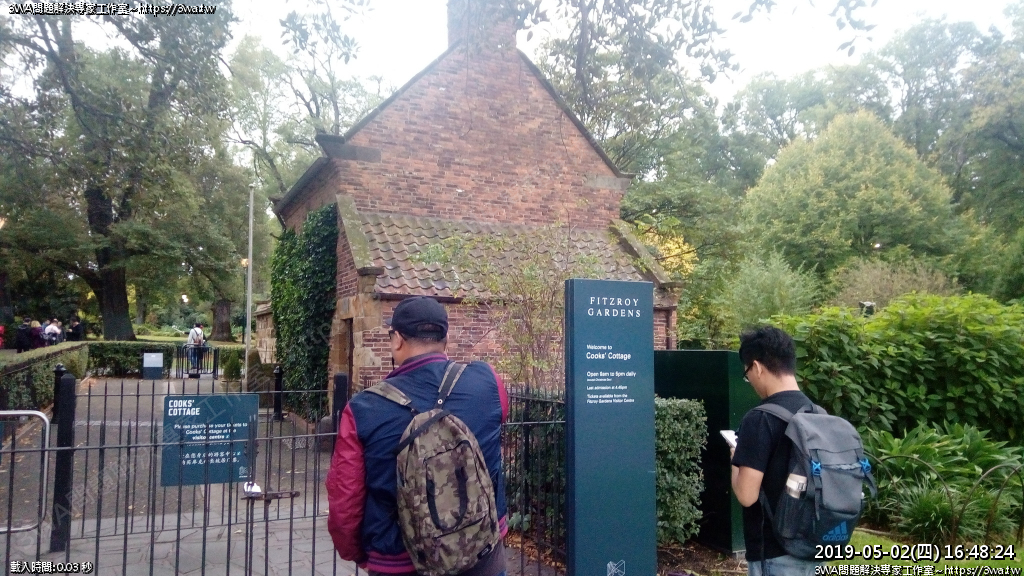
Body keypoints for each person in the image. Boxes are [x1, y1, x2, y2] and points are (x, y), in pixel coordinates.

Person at [326, 296, 509, 576]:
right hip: (482, 552)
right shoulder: (488, 381)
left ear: (397, 340)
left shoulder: (363, 409)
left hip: (399, 561)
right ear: (446, 339)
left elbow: (346, 500)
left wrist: (361, 554)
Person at [731, 326, 822, 576]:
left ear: (757, 367)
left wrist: (735, 459)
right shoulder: (817, 413)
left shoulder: (759, 418)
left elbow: (746, 495)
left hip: (774, 554)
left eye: (747, 373)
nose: (750, 380)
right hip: (814, 547)